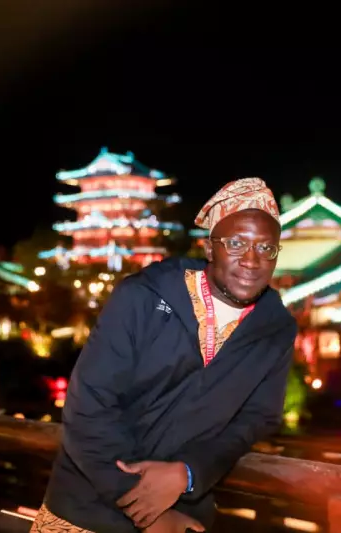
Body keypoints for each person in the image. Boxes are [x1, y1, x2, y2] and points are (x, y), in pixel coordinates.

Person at [32, 178, 296, 533]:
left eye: (267, 248)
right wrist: (144, 507)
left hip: (184, 509)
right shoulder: (142, 297)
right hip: (86, 509)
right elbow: (89, 407)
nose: (252, 260)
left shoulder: (276, 328)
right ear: (209, 248)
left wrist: (189, 473)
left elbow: (254, 420)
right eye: (236, 243)